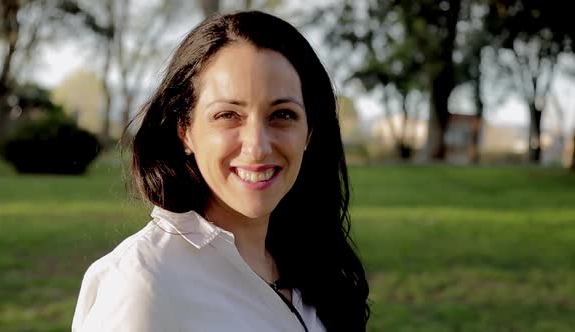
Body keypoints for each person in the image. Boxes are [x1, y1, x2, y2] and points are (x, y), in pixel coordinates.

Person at [72, 10, 369, 332]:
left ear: (309, 132)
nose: (257, 146)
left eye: (282, 114)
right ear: (185, 131)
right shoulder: (142, 283)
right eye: (228, 115)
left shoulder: (311, 264)